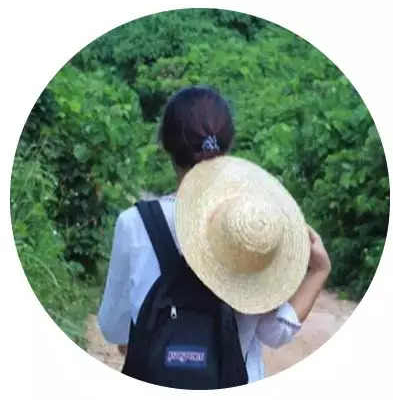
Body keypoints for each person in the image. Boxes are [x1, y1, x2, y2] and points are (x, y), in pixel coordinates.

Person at [98, 86, 331, 385]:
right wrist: (319, 271)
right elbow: (275, 332)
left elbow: (114, 329)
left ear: (166, 146)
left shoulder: (133, 223)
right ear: (228, 143)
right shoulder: (253, 225)